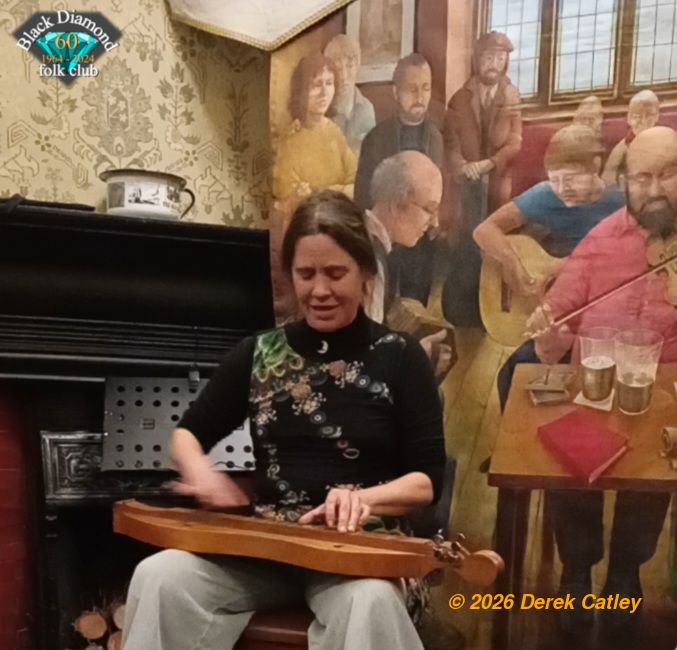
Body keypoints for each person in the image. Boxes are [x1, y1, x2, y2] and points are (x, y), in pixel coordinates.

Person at [122, 190, 447, 650]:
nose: (319, 290)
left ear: (366, 272)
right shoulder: (259, 353)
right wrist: (201, 472)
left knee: (370, 602)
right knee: (159, 576)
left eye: (336, 273)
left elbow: (426, 481)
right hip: (266, 549)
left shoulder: (400, 356)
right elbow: (187, 435)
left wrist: (362, 500)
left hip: (358, 555)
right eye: (305, 274)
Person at [525, 126, 676, 632]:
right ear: (625, 182)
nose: (654, 189)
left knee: (653, 472)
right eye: (643, 178)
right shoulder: (601, 239)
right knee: (570, 465)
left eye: (668, 175)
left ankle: (626, 573)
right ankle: (576, 569)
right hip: (592, 387)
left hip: (665, 396)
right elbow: (560, 307)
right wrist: (548, 331)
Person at [476, 124, 625, 409]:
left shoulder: (621, 202)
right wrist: (514, 265)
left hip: (600, 319)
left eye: (570, 178)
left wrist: (564, 268)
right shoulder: (546, 195)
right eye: (554, 179)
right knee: (512, 374)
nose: (561, 188)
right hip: (554, 316)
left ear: (595, 166)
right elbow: (484, 231)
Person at [441, 31, 522, 326]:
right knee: (466, 242)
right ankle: (464, 311)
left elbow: (515, 141)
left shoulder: (511, 96)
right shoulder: (459, 99)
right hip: (467, 184)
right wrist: (463, 166)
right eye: (488, 57)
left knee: (496, 242)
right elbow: (450, 143)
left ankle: (495, 310)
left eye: (500, 58)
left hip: (498, 182)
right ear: (477, 60)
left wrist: (490, 164)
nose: (494, 64)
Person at [354, 53, 443, 308]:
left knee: (416, 304)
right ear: (396, 92)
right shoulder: (376, 138)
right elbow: (362, 196)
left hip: (421, 237)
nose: (420, 96)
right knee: (382, 299)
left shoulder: (436, 137)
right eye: (412, 89)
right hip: (384, 234)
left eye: (426, 88)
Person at [363, 151, 453, 381]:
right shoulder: (371, 261)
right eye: (429, 209)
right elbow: (366, 366)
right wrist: (417, 356)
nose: (435, 222)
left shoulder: (360, 233)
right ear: (396, 205)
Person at [272, 54, 357, 206]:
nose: (324, 93)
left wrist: (336, 190)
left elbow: (355, 179)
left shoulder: (334, 131)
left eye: (329, 83)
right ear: (301, 91)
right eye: (316, 85)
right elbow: (290, 198)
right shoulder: (290, 142)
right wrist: (338, 191)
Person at [323, 34, 376, 156]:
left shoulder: (367, 109)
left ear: (357, 65)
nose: (344, 76)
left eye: (349, 66)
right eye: (338, 69)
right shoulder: (323, 109)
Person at [602, 90, 660, 185]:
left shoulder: (665, 141)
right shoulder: (622, 148)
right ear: (629, 118)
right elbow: (608, 180)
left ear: (657, 116)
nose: (643, 121)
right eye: (637, 116)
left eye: (649, 115)